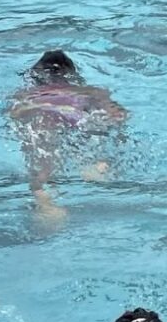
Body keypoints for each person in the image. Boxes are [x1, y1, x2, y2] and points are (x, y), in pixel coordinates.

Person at [7, 50, 127, 220]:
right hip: (75, 114)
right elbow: (118, 114)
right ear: (72, 74)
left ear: (33, 76)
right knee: (110, 136)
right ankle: (100, 165)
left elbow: (10, 111)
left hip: (41, 113)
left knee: (41, 162)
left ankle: (45, 202)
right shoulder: (90, 91)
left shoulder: (23, 93)